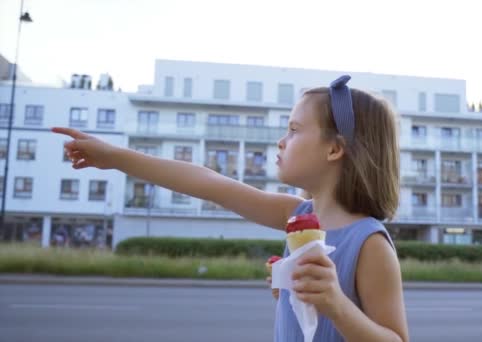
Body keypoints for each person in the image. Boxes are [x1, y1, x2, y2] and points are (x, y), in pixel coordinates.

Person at [52, 75, 409, 342]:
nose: (281, 141)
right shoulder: (296, 217)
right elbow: (210, 184)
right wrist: (115, 157)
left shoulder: (370, 244)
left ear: (334, 149)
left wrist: (335, 303)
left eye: (294, 129)